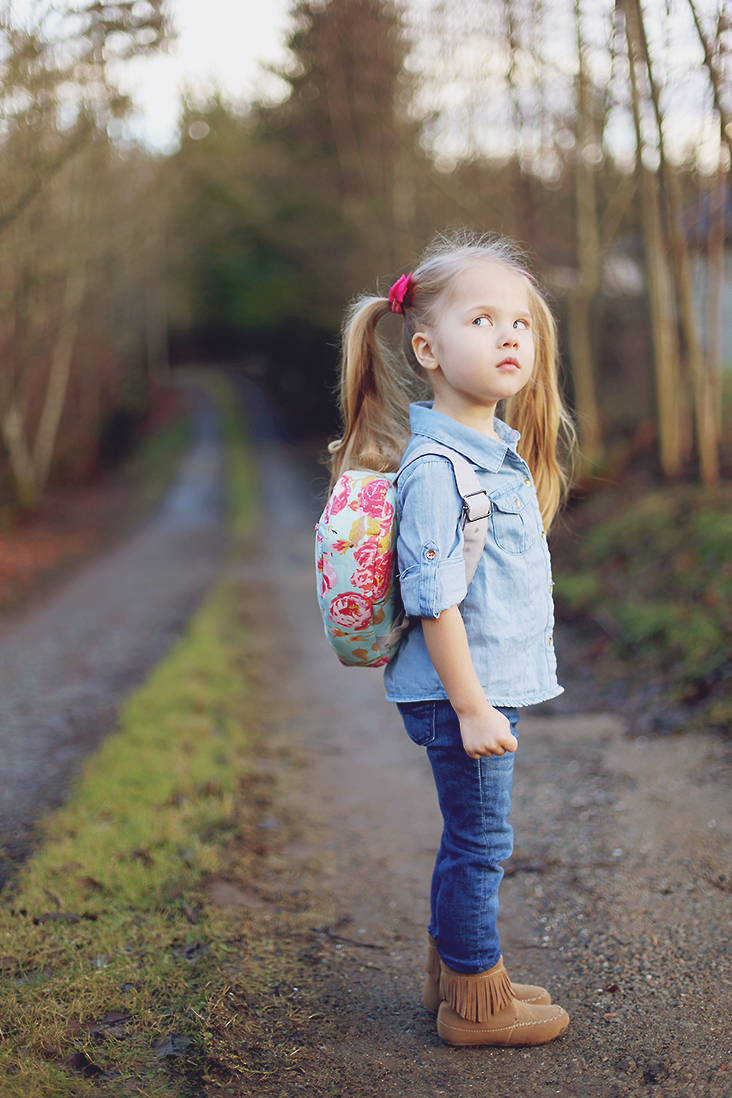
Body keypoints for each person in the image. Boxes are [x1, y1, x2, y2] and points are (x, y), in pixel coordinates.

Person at [327, 230, 575, 1047]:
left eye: (521, 322)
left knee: (469, 837)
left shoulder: (490, 454)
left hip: (472, 687)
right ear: (427, 349)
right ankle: (477, 1003)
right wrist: (471, 708)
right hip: (458, 691)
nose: (510, 336)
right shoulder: (440, 467)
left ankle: (459, 975)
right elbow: (436, 604)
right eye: (483, 320)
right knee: (482, 842)